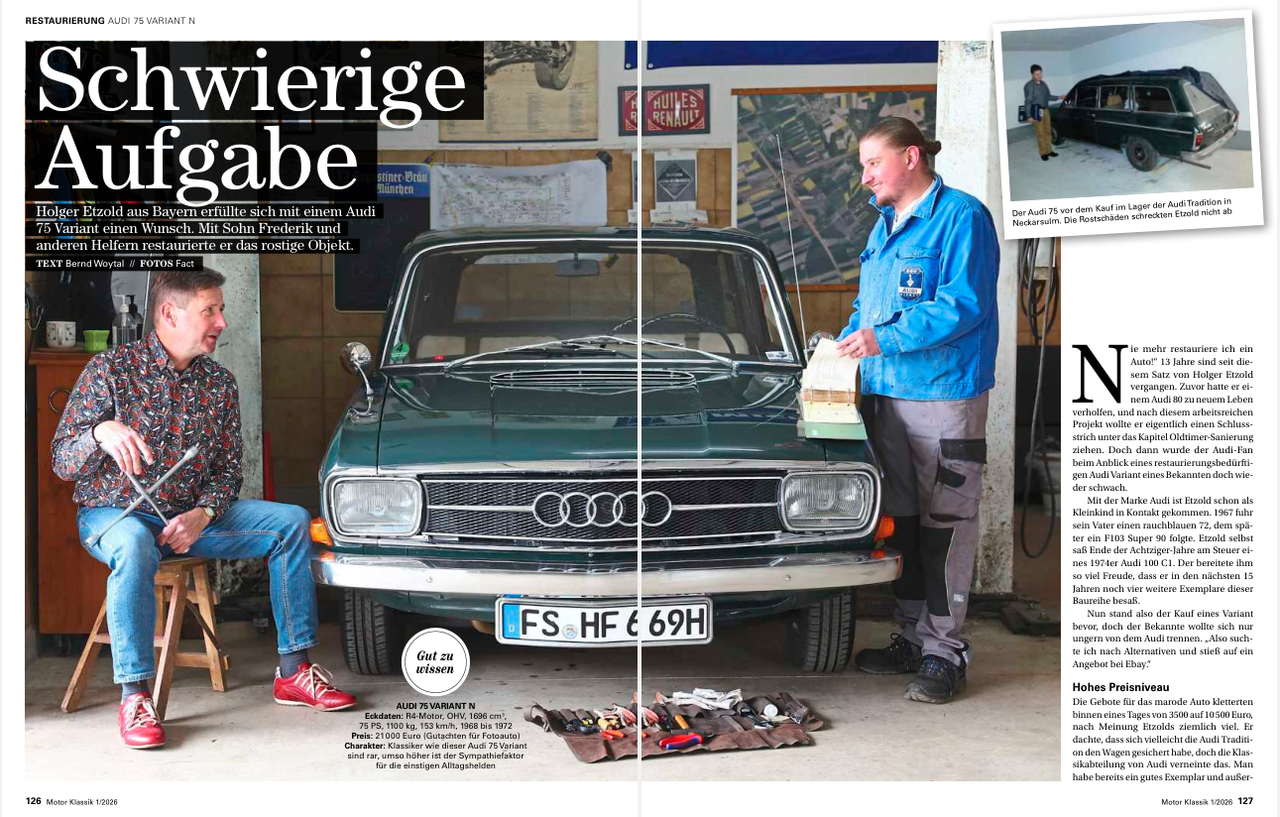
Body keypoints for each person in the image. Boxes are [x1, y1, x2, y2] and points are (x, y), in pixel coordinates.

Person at [53, 270, 356, 749]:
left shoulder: (219, 384)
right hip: (114, 516)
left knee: (292, 523)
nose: (222, 322)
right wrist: (98, 432)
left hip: (191, 519)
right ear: (169, 314)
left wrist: (205, 514)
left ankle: (293, 672)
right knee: (133, 544)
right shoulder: (109, 369)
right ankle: (135, 697)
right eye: (209, 311)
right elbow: (61, 463)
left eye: (221, 310)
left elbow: (229, 472)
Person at [836, 117, 999, 703]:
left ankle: (944, 651)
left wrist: (882, 338)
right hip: (885, 396)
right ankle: (910, 637)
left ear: (910, 157)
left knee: (945, 527)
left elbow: (964, 304)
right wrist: (841, 347)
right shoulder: (884, 225)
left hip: (942, 397)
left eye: (872, 163)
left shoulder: (961, 217)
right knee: (900, 522)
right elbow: (868, 307)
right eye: (862, 166)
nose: (864, 177)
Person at [1024, 64, 1064, 161]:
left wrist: (1059, 97)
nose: (1039, 76)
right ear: (1032, 74)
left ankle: (1049, 150)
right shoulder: (1029, 86)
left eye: (1040, 74)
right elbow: (1028, 101)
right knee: (1040, 133)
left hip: (1045, 110)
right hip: (1036, 111)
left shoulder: (1043, 84)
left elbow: (1048, 96)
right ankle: (1043, 152)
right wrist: (1028, 116)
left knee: (1048, 131)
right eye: (1037, 74)